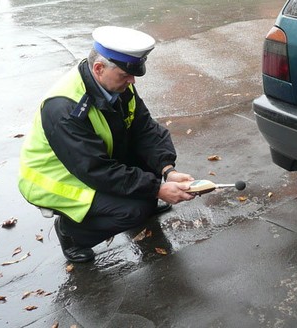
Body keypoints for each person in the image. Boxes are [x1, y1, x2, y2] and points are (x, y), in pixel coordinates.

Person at [18, 26, 197, 263]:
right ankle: (71, 233)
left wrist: (168, 171)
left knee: (146, 177)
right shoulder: (65, 107)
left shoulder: (117, 85)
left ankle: (146, 199)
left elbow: (145, 129)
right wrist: (156, 189)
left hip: (90, 162)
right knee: (134, 211)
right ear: (99, 68)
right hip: (57, 179)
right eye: (125, 75)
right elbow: (95, 170)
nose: (132, 80)